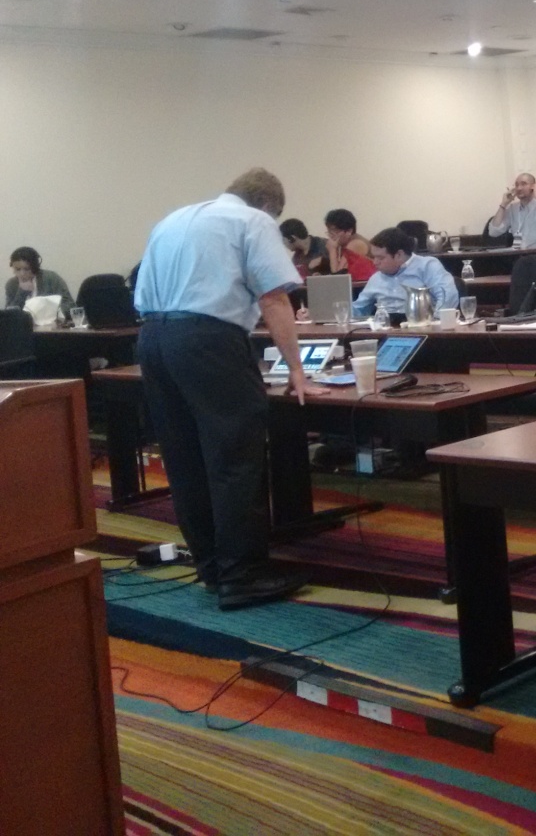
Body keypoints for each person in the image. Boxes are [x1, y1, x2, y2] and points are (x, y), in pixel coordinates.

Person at [132, 169, 314, 609]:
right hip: (208, 341)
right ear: (268, 206)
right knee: (235, 457)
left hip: (153, 339)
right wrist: (296, 368)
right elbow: (274, 298)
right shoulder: (254, 221)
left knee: (185, 459)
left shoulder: (173, 219)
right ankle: (243, 575)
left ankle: (212, 567)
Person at [351, 227, 460, 318]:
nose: (375, 262)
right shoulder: (376, 278)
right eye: (373, 257)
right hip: (386, 329)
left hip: (422, 326)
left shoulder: (427, 266)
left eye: (380, 258)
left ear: (399, 255)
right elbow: (359, 309)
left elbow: (448, 296)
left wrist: (436, 321)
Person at [489, 172, 536, 248]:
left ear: (533, 187)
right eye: (516, 185)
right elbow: (493, 232)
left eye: (523, 184)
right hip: (520, 252)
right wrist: (503, 204)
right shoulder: (513, 208)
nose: (519, 188)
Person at [5, 246, 73, 310]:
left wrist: (50, 310)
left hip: (51, 318)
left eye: (26, 269)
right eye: (17, 269)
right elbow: (10, 313)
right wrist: (22, 292)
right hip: (25, 319)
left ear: (35, 267)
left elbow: (70, 305)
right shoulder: (11, 284)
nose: (22, 274)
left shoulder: (51, 278)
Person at [323, 210, 376, 284]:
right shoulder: (342, 243)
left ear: (349, 231)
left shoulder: (356, 243)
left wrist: (332, 250)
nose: (331, 236)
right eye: (329, 232)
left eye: (335, 231)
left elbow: (339, 276)